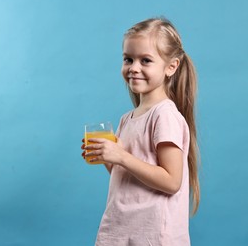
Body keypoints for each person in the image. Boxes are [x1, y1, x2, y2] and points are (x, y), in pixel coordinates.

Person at [82, 17, 200, 246]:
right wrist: (108, 157)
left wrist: (121, 156)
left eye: (145, 60)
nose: (133, 68)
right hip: (123, 228)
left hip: (152, 236)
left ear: (171, 67)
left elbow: (171, 181)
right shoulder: (128, 119)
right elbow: (128, 175)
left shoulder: (164, 115)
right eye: (128, 59)